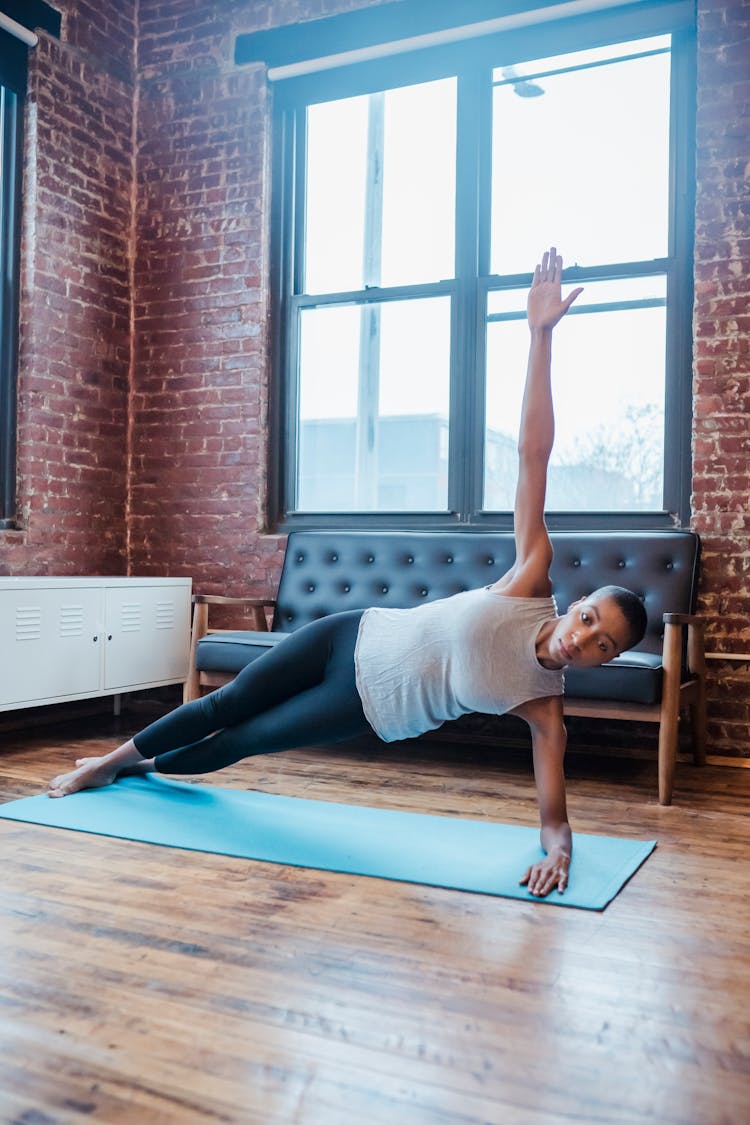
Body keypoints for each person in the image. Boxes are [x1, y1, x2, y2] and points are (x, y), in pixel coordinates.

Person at [47, 247, 647, 898]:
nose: (584, 639)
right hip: (352, 633)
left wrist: (560, 855)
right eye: (590, 619)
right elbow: (535, 456)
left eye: (602, 645)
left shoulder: (544, 709)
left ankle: (144, 769)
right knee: (226, 700)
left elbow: (554, 820)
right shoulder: (531, 578)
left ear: (603, 660)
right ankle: (108, 764)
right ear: (578, 601)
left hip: (365, 704)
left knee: (242, 741)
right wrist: (539, 336)